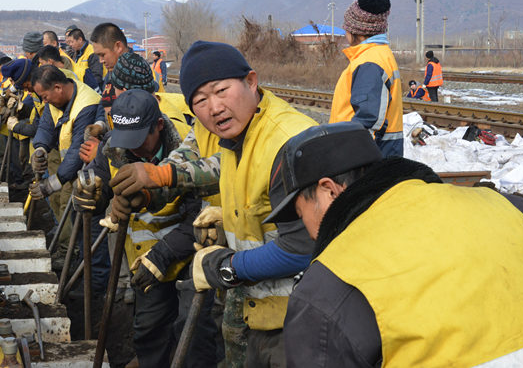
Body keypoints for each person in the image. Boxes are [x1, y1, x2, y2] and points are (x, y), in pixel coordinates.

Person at [110, 41, 316, 367]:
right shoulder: (214, 128)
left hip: (297, 312)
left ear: (251, 81)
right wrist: (146, 194)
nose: (214, 107)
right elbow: (191, 163)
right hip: (251, 301)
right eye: (201, 100)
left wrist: (228, 266)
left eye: (221, 91)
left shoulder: (289, 141)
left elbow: (305, 247)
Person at [263, 122, 523, 367]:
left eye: (301, 214)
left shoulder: (327, 290)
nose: (309, 233)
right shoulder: (510, 208)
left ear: (330, 190)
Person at [85, 90, 219, 367]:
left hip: (190, 252)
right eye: (126, 139)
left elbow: (199, 212)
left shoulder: (186, 151)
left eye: (139, 140)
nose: (133, 149)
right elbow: (100, 177)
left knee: (192, 332)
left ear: (158, 125)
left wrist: (164, 253)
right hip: (144, 260)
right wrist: (94, 194)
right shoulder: (114, 146)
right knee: (148, 330)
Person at [28, 65, 107, 284]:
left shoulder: (86, 104)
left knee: (84, 222)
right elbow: (46, 125)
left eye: (45, 96)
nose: (45, 101)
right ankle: (80, 265)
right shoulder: (55, 100)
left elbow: (77, 150)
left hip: (89, 173)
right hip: (73, 170)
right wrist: (41, 148)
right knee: (75, 219)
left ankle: (91, 278)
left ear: (57, 87)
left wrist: (53, 183)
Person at [329, 0, 403, 158]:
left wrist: (347, 162)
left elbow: (368, 121)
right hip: (383, 153)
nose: (344, 29)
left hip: (368, 159)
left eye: (346, 25)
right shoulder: (380, 54)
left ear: (357, 30)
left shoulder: (369, 62)